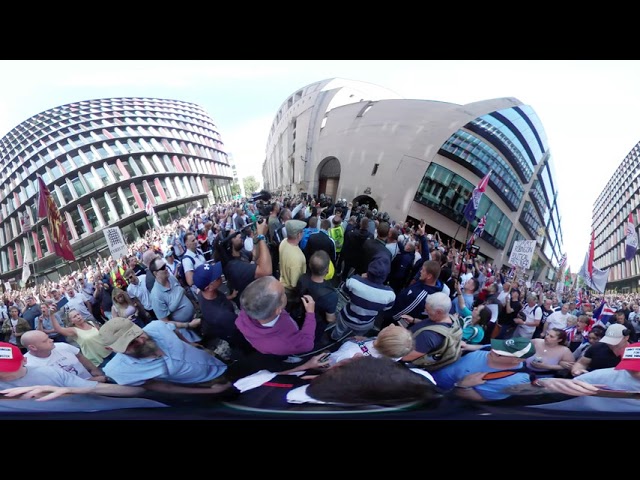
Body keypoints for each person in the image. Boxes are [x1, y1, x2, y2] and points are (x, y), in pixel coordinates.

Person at [231, 354, 438, 409]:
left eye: (343, 366)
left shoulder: (259, 384)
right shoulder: (420, 381)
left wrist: (302, 368)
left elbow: (260, 377)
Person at [98, 317, 230, 391]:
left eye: (138, 334)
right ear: (110, 349)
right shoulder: (119, 371)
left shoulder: (156, 327)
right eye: (130, 343)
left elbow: (172, 328)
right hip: (205, 383)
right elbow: (163, 387)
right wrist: (209, 391)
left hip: (212, 359)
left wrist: (189, 343)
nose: (141, 341)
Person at [521, 342, 640, 412]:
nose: (635, 371)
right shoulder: (598, 377)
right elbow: (522, 394)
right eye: (631, 366)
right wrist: (548, 384)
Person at [432, 337, 536, 402]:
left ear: (516, 360)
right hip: (433, 372)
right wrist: (468, 346)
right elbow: (485, 347)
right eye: (498, 346)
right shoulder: (493, 350)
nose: (493, 351)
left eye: (501, 353)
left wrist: (463, 386)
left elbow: (482, 399)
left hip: (438, 392)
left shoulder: (513, 381)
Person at [234, 276, 316, 357]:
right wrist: (310, 314)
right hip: (283, 352)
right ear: (278, 310)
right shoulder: (285, 342)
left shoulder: (248, 305)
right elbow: (307, 344)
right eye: (283, 294)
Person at [331, 254, 396, 341]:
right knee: (358, 337)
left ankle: (334, 339)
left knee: (339, 330)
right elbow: (385, 308)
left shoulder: (354, 281)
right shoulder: (390, 294)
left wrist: (360, 278)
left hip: (347, 317)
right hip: (366, 323)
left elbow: (343, 290)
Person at [398, 292, 462, 371]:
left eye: (428, 310)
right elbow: (432, 324)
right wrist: (414, 320)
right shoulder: (449, 319)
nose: (425, 311)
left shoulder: (429, 336)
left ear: (439, 312)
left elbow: (406, 357)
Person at [148, 257, 202, 343]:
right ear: (155, 273)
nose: (166, 269)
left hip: (197, 317)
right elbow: (166, 322)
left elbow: (184, 294)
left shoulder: (171, 278)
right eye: (162, 268)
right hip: (186, 331)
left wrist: (197, 308)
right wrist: (188, 325)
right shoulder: (156, 296)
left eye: (165, 266)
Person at [381, 260, 446, 328]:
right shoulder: (424, 282)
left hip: (394, 323)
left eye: (423, 270)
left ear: (429, 276)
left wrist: (388, 316)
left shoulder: (421, 296)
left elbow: (404, 311)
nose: (420, 272)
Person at [20, 330, 106, 382]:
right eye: (45, 341)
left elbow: (80, 356)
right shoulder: (29, 365)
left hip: (95, 383)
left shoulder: (62, 346)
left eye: (48, 337)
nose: (51, 340)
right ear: (33, 347)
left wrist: (94, 369)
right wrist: (89, 383)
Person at [193, 262, 240, 354]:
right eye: (217, 277)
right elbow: (238, 328)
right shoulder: (221, 315)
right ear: (208, 287)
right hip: (233, 332)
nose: (220, 276)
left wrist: (230, 297)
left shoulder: (202, 294)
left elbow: (219, 298)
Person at [294, 250, 338, 345]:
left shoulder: (302, 278)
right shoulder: (331, 295)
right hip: (317, 322)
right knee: (313, 339)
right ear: (327, 270)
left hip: (301, 315)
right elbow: (330, 318)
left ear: (309, 265)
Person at [279, 219, 308, 309]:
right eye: (302, 231)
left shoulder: (283, 242)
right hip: (289, 292)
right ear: (299, 234)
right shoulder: (298, 257)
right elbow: (294, 283)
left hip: (282, 280)